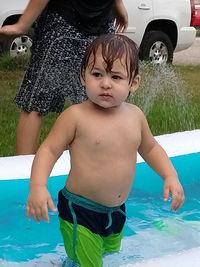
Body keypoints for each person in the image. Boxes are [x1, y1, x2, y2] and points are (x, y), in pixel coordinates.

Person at [26, 34, 184, 267]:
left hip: (116, 212)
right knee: (87, 264)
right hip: (80, 211)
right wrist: (38, 187)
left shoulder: (135, 116)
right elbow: (49, 150)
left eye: (116, 76)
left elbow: (150, 148)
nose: (106, 83)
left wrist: (170, 175)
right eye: (97, 74)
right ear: (83, 77)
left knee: (109, 259)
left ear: (134, 83)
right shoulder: (75, 116)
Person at [0, 0, 128, 155]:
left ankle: (89, 164)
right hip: (63, 22)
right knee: (36, 100)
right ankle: (24, 170)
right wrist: (23, 23)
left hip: (100, 22)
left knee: (95, 100)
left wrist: (118, 4)